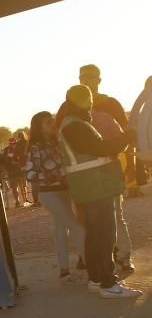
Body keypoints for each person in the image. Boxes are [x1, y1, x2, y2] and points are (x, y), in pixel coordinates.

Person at [59, 85, 140, 298]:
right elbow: (102, 148)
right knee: (104, 236)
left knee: (95, 236)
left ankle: (96, 279)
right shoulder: (77, 125)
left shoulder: (71, 123)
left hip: (89, 188)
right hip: (96, 187)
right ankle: (108, 283)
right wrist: (128, 136)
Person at [26, 111, 87, 282]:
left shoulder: (57, 142)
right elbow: (30, 173)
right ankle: (93, 269)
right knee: (77, 227)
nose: (52, 124)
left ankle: (64, 270)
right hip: (50, 193)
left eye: (52, 121)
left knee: (61, 228)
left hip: (64, 191)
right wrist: (55, 175)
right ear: (39, 127)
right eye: (48, 122)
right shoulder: (36, 147)